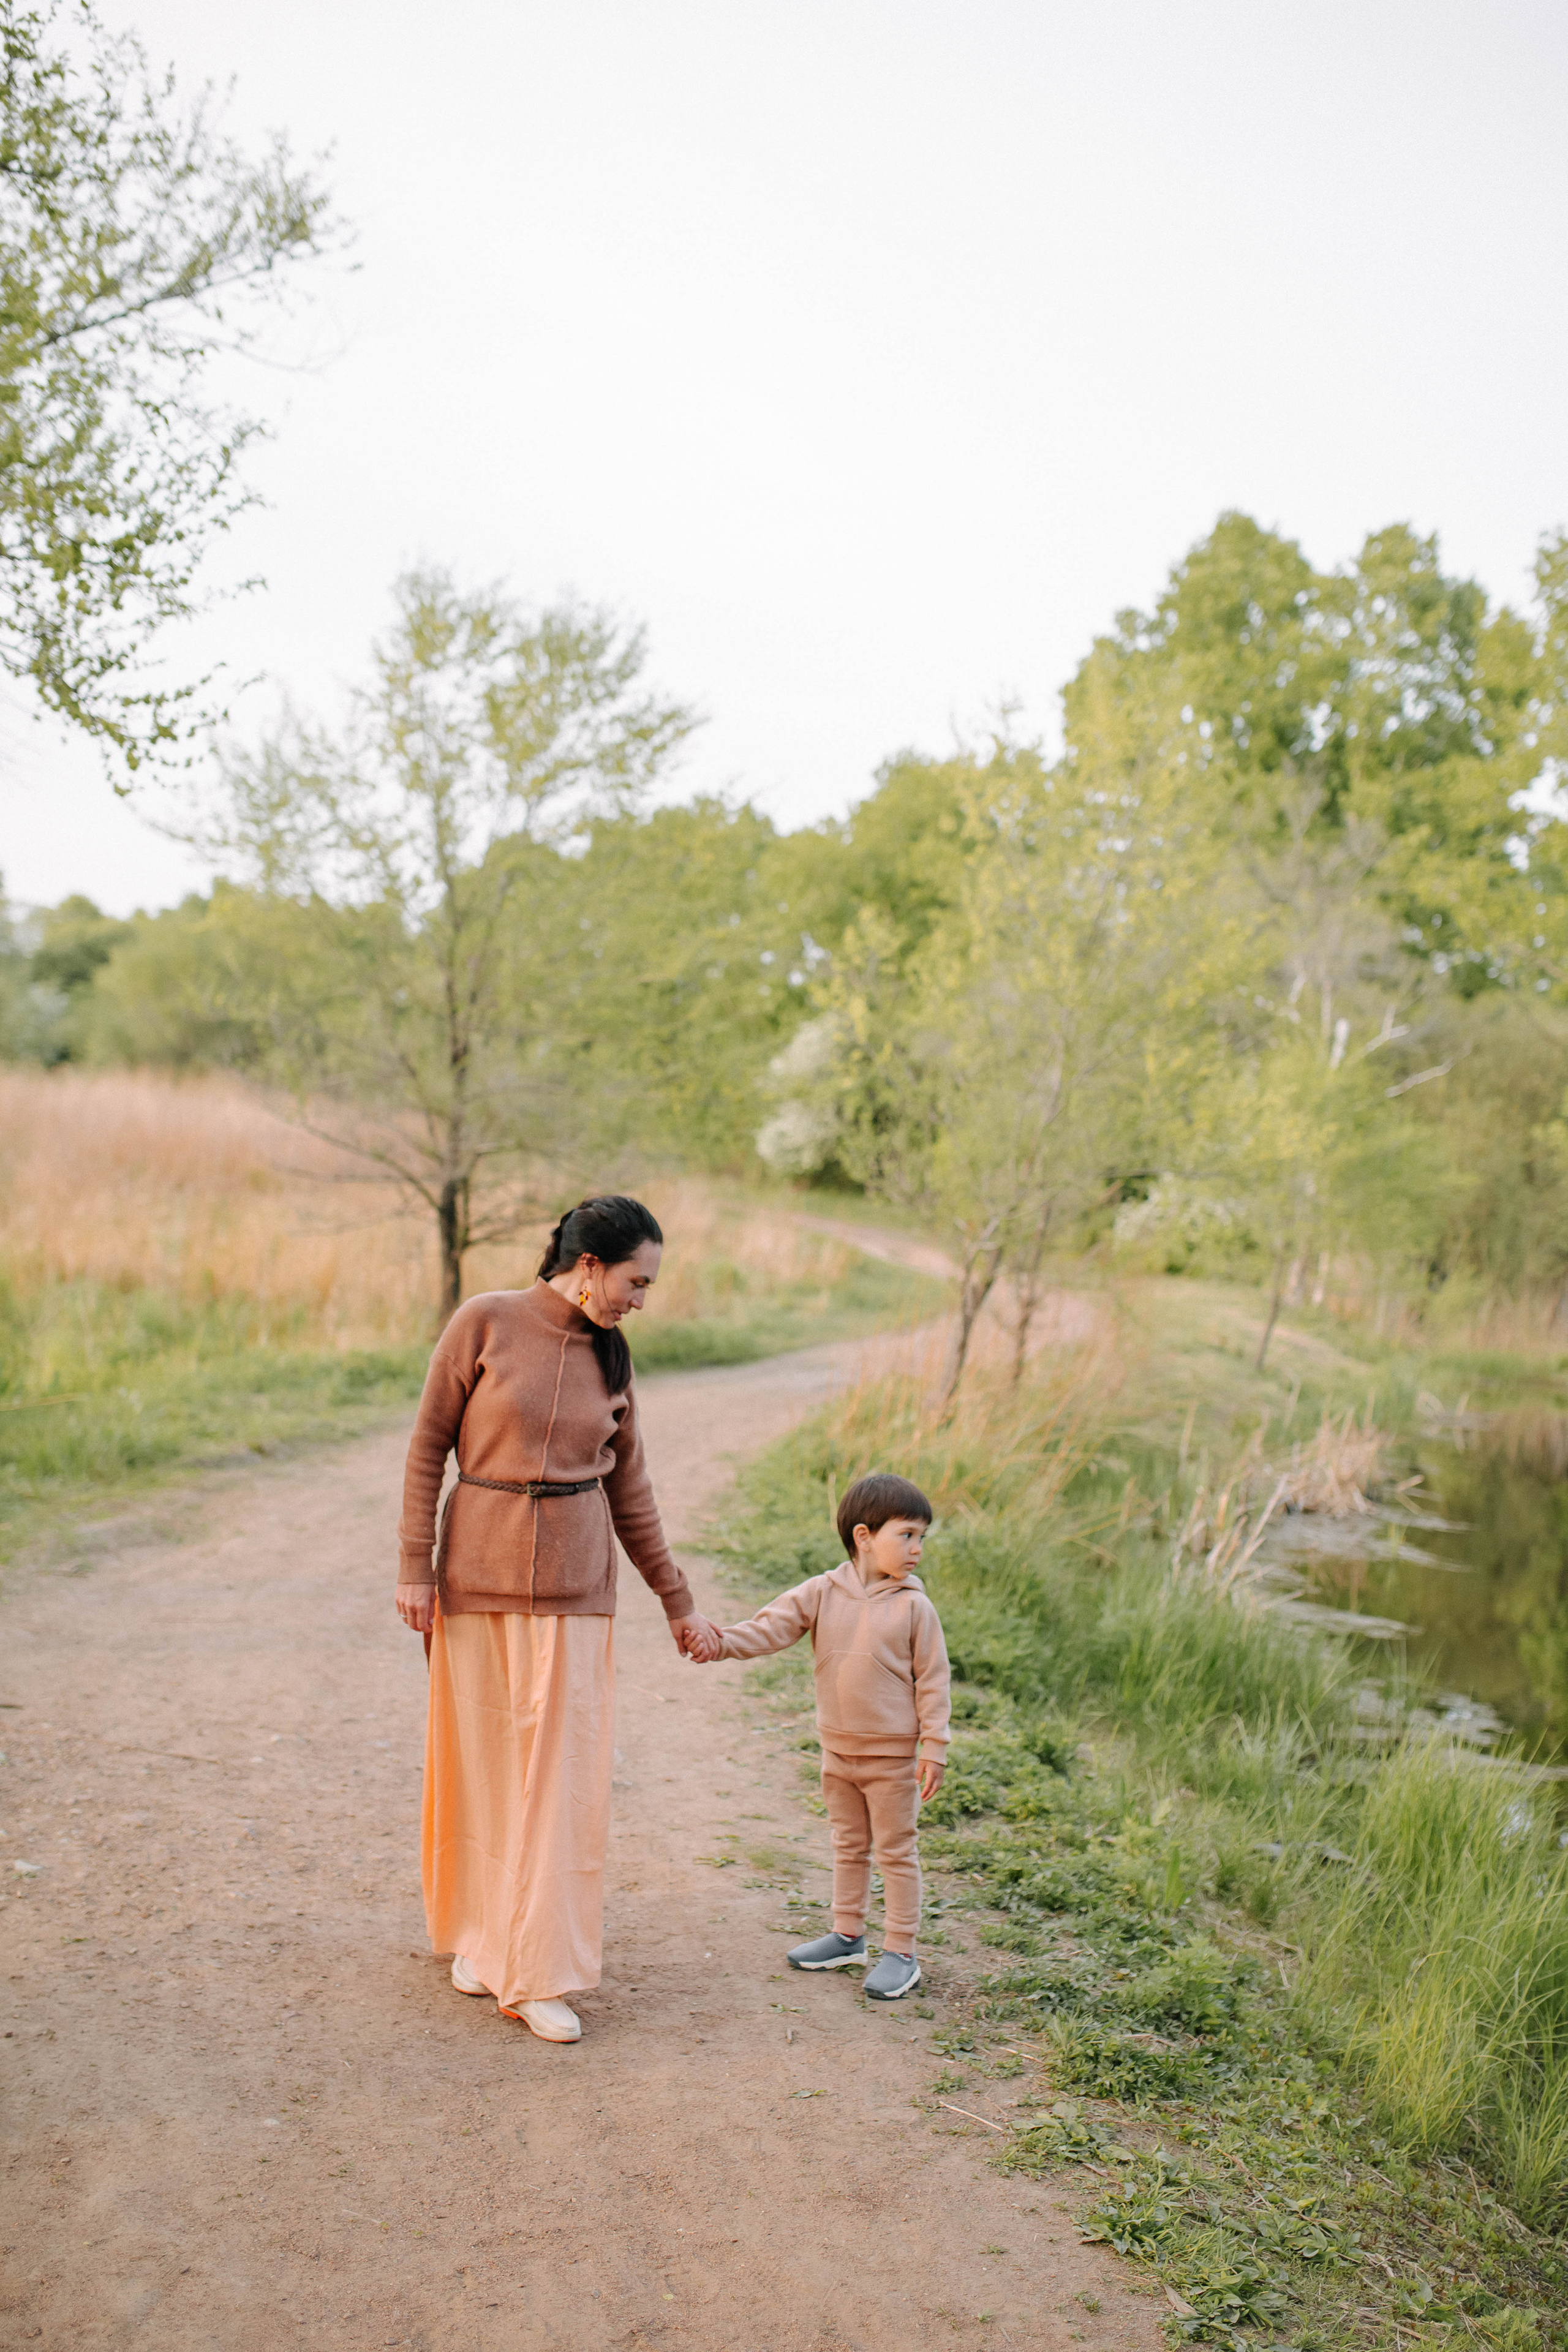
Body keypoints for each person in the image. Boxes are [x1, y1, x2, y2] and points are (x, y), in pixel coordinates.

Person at [393, 1195, 717, 2043]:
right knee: (484, 1771)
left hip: (577, 1593)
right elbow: (429, 1447)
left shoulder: (615, 1359)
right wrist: (412, 1572)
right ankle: (481, 1939)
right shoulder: (485, 1323)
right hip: (473, 1582)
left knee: (557, 1788)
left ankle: (533, 1971)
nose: (641, 1299)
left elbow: (631, 1488)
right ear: (589, 1265)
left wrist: (676, 1601)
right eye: (635, 1281)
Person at [690, 1471, 949, 2000]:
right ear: (863, 1536)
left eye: (922, 1537)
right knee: (849, 1844)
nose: (918, 1548)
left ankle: (901, 1951)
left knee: (896, 1851)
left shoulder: (915, 1608)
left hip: (892, 1759)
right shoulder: (822, 1592)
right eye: (907, 1535)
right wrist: (720, 1643)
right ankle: (847, 1935)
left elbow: (935, 1682)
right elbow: (771, 1627)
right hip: (838, 1751)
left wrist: (935, 1748)